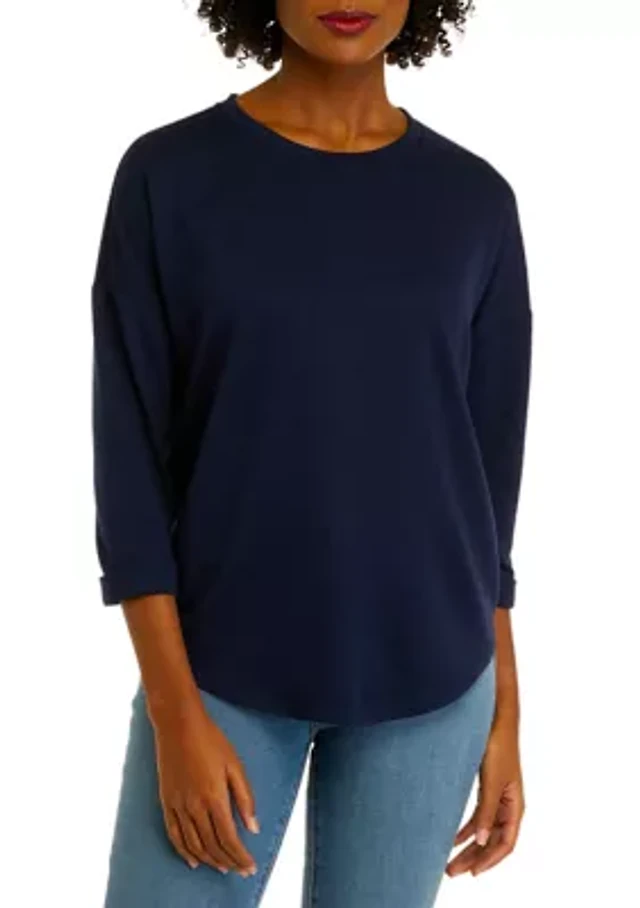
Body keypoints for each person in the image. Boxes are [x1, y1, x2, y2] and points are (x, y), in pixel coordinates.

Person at [91, 2, 533, 906]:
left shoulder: (476, 203)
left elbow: (488, 491)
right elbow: (128, 462)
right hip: (221, 671)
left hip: (435, 683)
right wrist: (174, 713)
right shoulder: (169, 178)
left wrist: (506, 714)